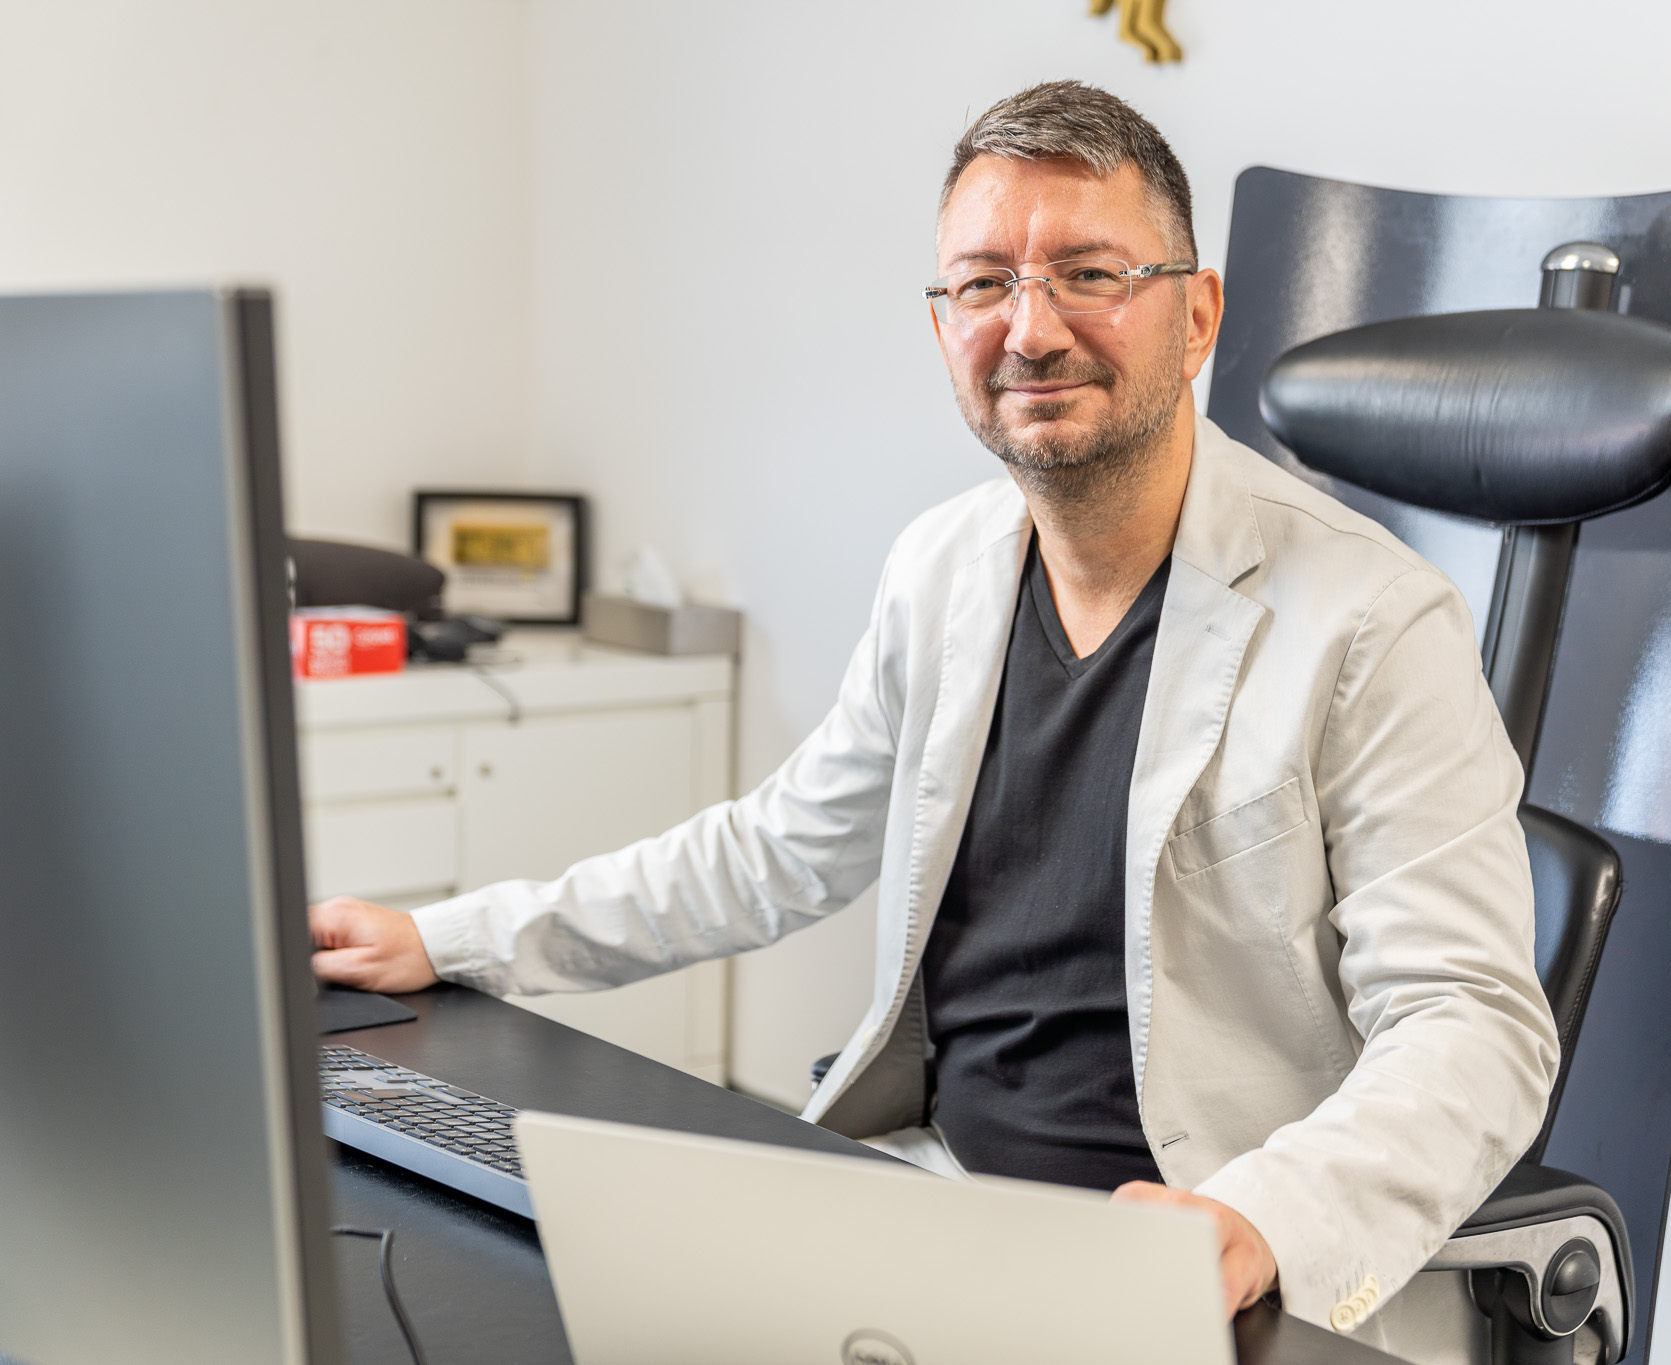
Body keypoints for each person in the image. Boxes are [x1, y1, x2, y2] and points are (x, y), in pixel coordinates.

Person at [311, 80, 1557, 1339]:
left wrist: (1255, 1222)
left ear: (1195, 316)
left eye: (1087, 273)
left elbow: (1473, 1025)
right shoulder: (942, 569)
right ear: (941, 323)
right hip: (941, 1211)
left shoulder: (1371, 622)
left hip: (1193, 1276)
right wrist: (452, 937)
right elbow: (777, 850)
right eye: (981, 283)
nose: (1030, 328)